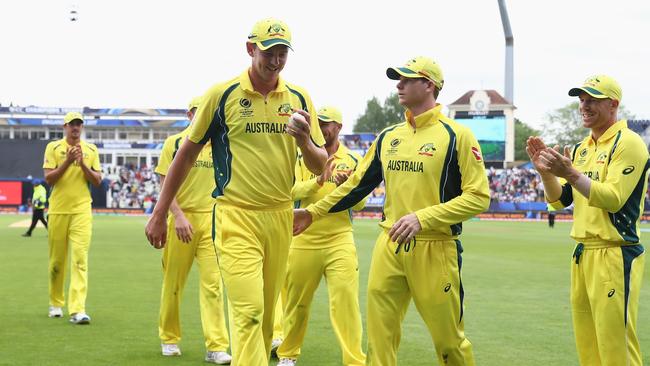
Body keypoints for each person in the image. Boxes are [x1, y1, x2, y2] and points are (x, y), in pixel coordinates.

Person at [144, 18, 327, 366]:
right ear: (250, 49)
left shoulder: (300, 98)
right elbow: (186, 154)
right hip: (235, 216)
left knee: (266, 319)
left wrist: (304, 140)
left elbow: (320, 165)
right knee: (249, 312)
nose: (275, 61)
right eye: (268, 52)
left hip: (279, 217)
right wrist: (159, 213)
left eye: (282, 53)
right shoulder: (222, 94)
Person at [294, 56, 490, 365]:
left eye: (407, 79)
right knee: (380, 338)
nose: (398, 85)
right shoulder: (388, 137)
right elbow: (355, 186)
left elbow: (479, 197)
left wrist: (422, 218)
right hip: (389, 246)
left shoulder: (457, 136)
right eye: (398, 79)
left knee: (449, 343)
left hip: (435, 248)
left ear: (429, 85)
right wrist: (313, 212)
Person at [526, 75, 647, 366]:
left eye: (592, 99)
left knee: (615, 344)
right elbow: (559, 202)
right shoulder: (582, 149)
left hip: (615, 254)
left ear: (613, 104)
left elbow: (612, 198)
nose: (584, 105)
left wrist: (570, 174)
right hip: (582, 254)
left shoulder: (629, 143)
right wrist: (545, 173)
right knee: (589, 345)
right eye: (581, 99)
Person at [277, 106, 366, 366]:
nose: (322, 129)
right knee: (297, 304)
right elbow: (288, 192)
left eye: (326, 124)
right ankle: (287, 355)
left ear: (338, 126)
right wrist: (316, 182)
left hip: (340, 239)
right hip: (303, 239)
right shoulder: (301, 155)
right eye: (318, 123)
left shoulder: (353, 159)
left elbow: (360, 205)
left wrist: (345, 187)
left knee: (345, 304)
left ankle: (354, 361)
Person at [155, 97, 231, 364]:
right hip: (180, 222)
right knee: (174, 284)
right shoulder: (174, 144)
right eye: (200, 114)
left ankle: (216, 346)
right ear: (189, 115)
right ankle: (169, 338)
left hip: (212, 223)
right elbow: (165, 187)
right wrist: (177, 216)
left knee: (213, 286)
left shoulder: (221, 144)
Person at [43, 111, 102, 324]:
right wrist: (68, 161)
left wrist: (82, 164)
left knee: (80, 259)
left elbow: (97, 181)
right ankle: (55, 303)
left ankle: (78, 309)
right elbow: (49, 178)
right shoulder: (54, 148)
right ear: (64, 127)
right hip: (58, 210)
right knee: (57, 262)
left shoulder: (91, 150)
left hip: (82, 210)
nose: (75, 128)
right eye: (71, 124)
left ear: (82, 127)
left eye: (78, 124)